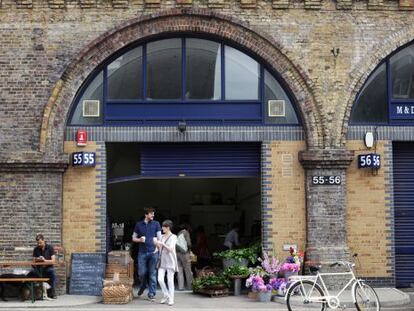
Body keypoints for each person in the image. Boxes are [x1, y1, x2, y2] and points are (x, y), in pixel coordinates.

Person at [132, 207, 161, 301]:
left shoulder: (156, 224)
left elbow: (160, 238)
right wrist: (140, 240)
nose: (153, 215)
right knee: (141, 273)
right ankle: (143, 285)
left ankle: (151, 292)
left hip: (153, 252)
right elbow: (133, 238)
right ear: (146, 215)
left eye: (153, 213)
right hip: (142, 253)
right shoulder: (138, 225)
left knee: (152, 273)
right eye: (151, 213)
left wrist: (157, 247)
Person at [155, 220, 178, 306]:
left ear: (168, 227)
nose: (162, 228)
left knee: (170, 281)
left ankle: (171, 299)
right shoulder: (161, 236)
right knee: (160, 279)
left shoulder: (174, 237)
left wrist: (162, 244)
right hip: (162, 261)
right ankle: (166, 294)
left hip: (170, 261)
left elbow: (171, 249)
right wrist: (156, 247)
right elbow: (159, 248)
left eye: (163, 227)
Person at [32, 234, 57, 299]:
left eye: (40, 243)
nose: (39, 244)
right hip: (39, 268)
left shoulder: (50, 248)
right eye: (38, 243)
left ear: (44, 240)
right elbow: (33, 261)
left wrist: (45, 260)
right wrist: (37, 259)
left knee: (53, 273)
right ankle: (35, 294)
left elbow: (53, 261)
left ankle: (52, 293)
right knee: (31, 273)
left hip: (48, 268)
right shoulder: (36, 249)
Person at [176, 223, 193, 290]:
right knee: (188, 270)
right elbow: (188, 243)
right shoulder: (186, 233)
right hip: (184, 253)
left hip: (177, 253)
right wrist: (190, 249)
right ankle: (190, 286)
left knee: (179, 270)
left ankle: (181, 287)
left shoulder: (178, 233)